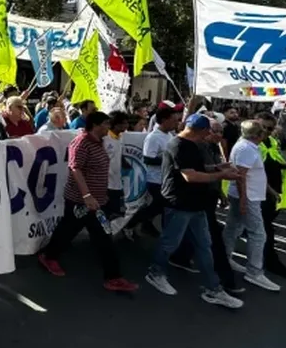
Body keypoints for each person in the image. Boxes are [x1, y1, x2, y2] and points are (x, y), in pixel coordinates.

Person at [144, 114, 244, 308]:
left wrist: (216, 166)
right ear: (201, 131)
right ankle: (156, 273)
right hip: (179, 203)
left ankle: (213, 289)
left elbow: (197, 167)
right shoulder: (178, 146)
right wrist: (221, 174)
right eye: (208, 131)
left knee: (204, 246)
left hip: (196, 204)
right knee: (169, 243)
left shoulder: (192, 145)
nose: (210, 135)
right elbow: (190, 176)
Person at [37, 111, 138, 291]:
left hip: (97, 202)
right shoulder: (81, 142)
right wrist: (86, 196)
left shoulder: (99, 142)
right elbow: (75, 169)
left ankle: (113, 277)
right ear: (96, 125)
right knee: (67, 230)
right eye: (106, 124)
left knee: (103, 237)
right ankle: (48, 256)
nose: (109, 127)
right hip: (80, 201)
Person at [223, 121, 282, 292]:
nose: (267, 134)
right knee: (258, 234)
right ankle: (254, 272)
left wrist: (270, 190)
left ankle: (225, 258)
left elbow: (256, 174)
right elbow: (241, 176)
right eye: (264, 131)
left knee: (233, 228)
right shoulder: (246, 149)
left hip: (248, 196)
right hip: (248, 197)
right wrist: (243, 201)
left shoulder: (248, 147)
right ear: (257, 135)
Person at [124, 104, 182, 236]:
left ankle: (146, 224)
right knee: (160, 205)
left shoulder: (169, 135)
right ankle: (131, 224)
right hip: (155, 179)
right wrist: (169, 160)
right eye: (173, 120)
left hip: (165, 178)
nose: (176, 123)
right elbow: (148, 159)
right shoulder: (153, 137)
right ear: (164, 120)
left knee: (160, 206)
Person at [256, 113, 286, 279]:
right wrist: (270, 191)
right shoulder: (251, 144)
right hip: (259, 193)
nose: (265, 131)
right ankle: (267, 262)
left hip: (272, 192)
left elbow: (272, 160)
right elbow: (254, 173)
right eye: (261, 127)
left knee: (245, 228)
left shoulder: (271, 142)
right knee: (264, 230)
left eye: (269, 128)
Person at [103, 111, 129, 218]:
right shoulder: (104, 139)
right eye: (124, 123)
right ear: (116, 124)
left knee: (119, 212)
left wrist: (124, 163)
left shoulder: (120, 137)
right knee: (108, 213)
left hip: (117, 182)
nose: (127, 126)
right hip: (106, 184)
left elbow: (118, 154)